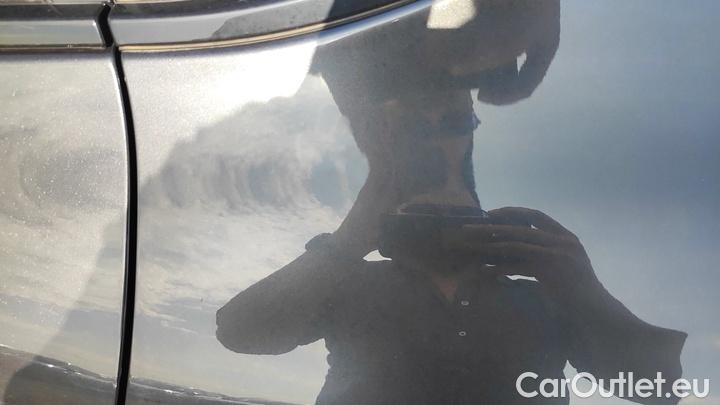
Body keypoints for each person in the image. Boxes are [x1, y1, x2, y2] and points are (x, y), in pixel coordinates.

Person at [217, 0, 686, 403]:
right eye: (413, 128)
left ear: (471, 142)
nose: (435, 141)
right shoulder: (349, 283)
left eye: (456, 122)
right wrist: (352, 234)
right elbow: (239, 332)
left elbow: (658, 387)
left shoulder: (544, 295)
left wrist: (586, 292)